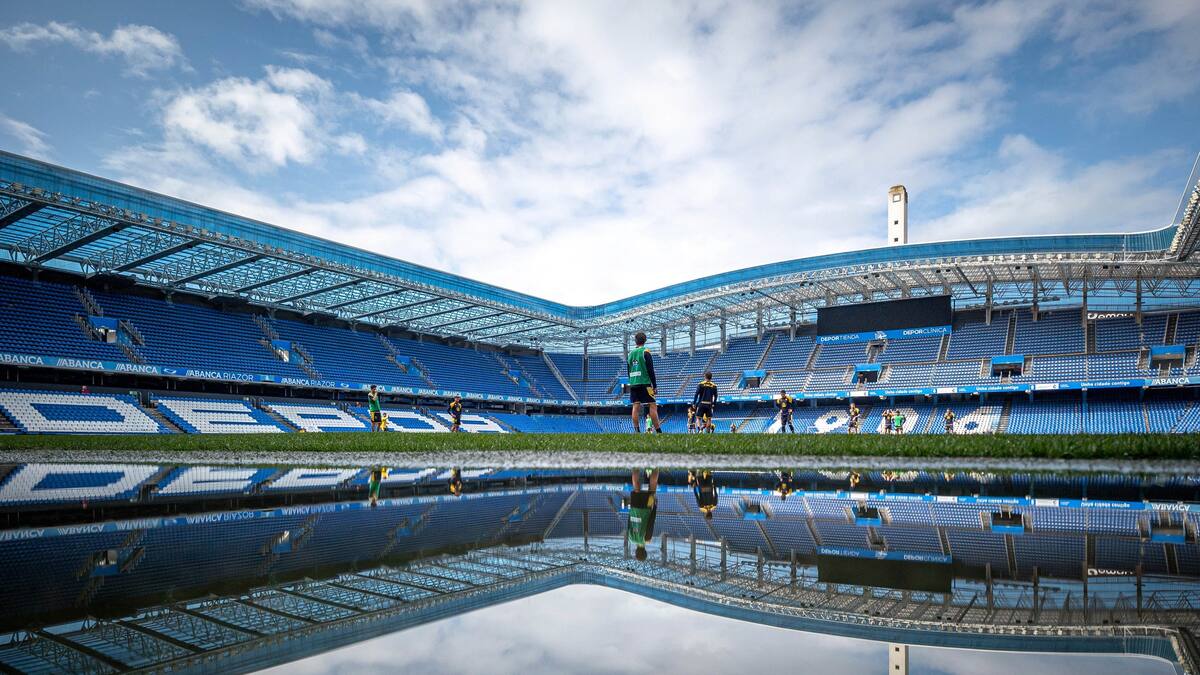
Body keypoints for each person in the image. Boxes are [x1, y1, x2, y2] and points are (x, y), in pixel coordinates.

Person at [627, 332, 663, 433]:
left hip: (634, 383)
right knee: (652, 404)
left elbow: (628, 371)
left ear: (635, 341)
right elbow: (650, 370)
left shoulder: (630, 354)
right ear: (645, 340)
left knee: (635, 406)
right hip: (645, 383)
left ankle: (637, 431)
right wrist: (654, 385)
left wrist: (632, 381)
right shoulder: (646, 352)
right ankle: (658, 431)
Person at [627, 469, 659, 560]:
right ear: (636, 551)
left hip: (646, 508)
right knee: (636, 487)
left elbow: (651, 523)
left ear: (645, 551)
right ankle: (636, 464)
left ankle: (657, 465)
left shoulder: (647, 539)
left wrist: (655, 507)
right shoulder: (630, 538)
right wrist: (632, 509)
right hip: (634, 508)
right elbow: (629, 522)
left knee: (652, 489)